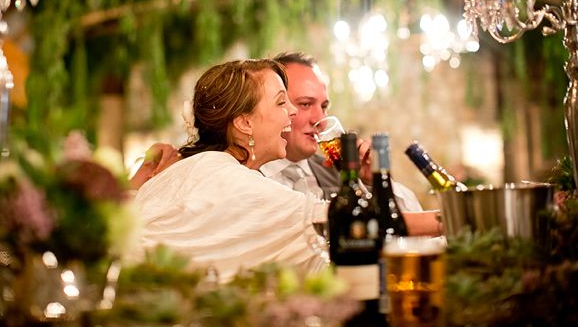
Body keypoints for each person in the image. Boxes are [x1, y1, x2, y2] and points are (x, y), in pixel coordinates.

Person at [131, 59, 326, 282]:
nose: (292, 111)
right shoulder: (231, 181)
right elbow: (330, 223)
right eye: (281, 102)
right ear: (245, 123)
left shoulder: (195, 169)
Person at [260, 52, 423, 212]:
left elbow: (411, 220)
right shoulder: (247, 175)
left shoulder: (341, 173)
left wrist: (373, 182)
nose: (319, 119)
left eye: (324, 107)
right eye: (305, 104)